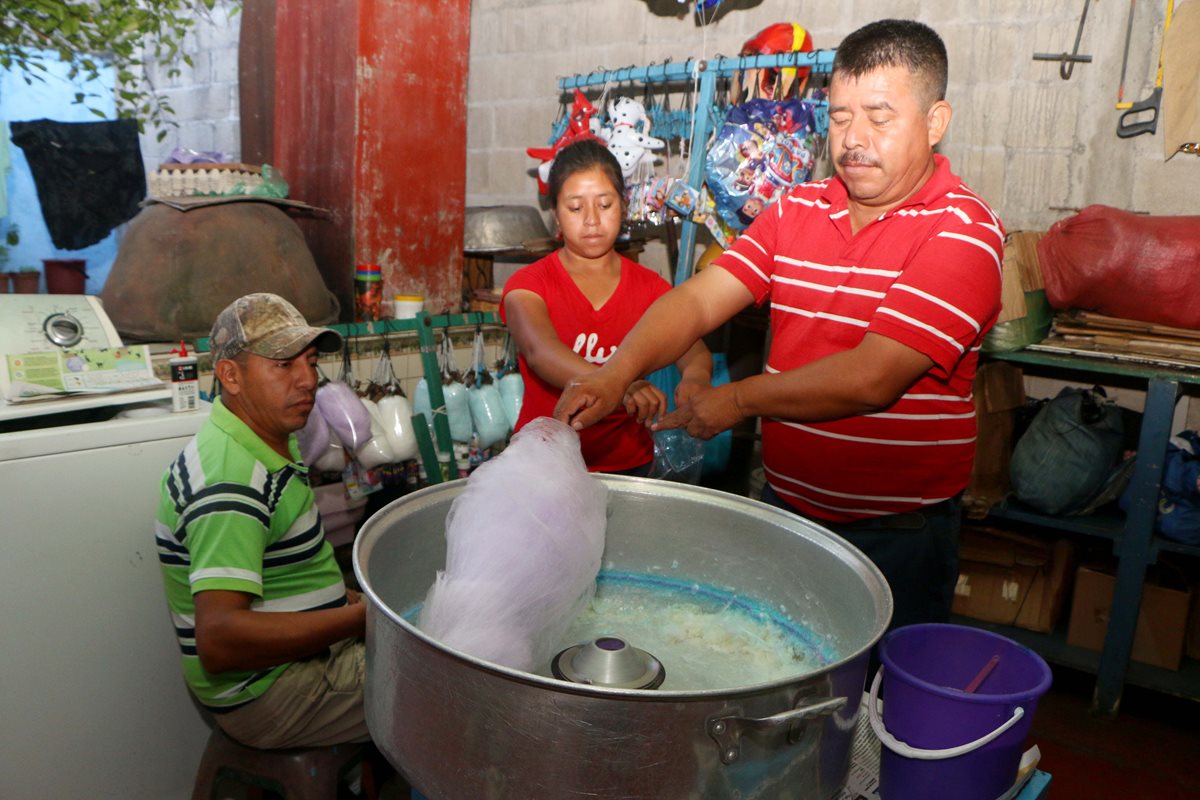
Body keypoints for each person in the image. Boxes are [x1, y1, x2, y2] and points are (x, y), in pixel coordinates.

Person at [556, 19, 1004, 632]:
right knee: (774, 667)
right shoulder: (797, 209)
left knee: (878, 687)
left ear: (934, 122)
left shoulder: (963, 232)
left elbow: (871, 378)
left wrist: (738, 400)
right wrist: (615, 374)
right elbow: (698, 301)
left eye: (879, 118)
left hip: (899, 537)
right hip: (788, 512)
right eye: (840, 117)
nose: (853, 139)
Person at [155, 292, 368, 749]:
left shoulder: (268, 437)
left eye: (311, 363)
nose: (308, 380)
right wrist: (356, 621)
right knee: (451, 685)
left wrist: (340, 602)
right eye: (284, 365)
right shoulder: (231, 480)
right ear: (231, 376)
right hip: (273, 691)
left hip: (290, 668)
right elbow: (221, 641)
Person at [502, 137, 712, 475]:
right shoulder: (528, 285)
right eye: (575, 208)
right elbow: (540, 352)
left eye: (604, 204)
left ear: (623, 207)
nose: (591, 220)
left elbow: (695, 353)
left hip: (629, 463)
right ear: (556, 214)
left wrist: (696, 380)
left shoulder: (650, 288)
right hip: (545, 463)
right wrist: (620, 384)